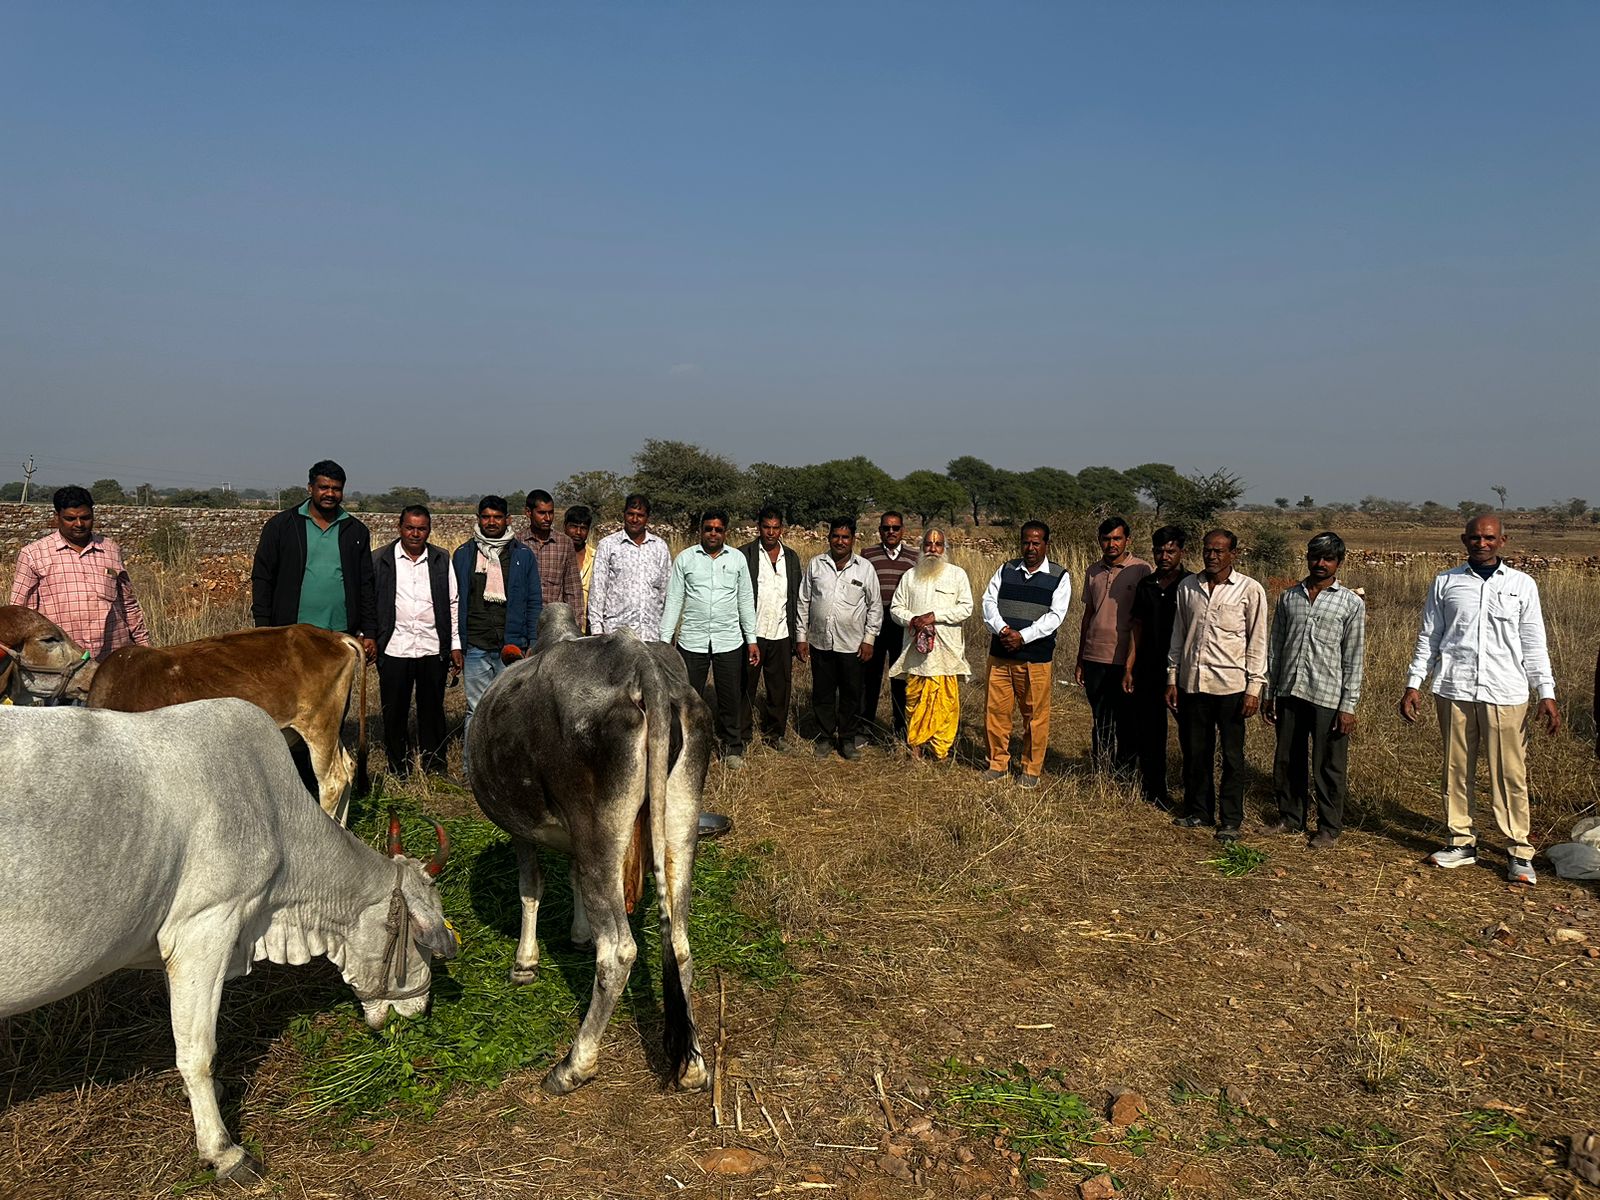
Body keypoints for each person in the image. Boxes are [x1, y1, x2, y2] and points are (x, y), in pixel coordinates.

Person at [1399, 515, 1559, 885]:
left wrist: (1545, 692)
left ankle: (1519, 851)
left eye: (1489, 537)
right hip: (1454, 688)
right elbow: (1430, 637)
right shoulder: (1446, 582)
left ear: (1503, 540)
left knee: (1509, 774)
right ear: (1464, 540)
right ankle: (1460, 841)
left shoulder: (1522, 585)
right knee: (1456, 769)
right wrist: (1414, 683)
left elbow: (1535, 644)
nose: (1481, 543)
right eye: (1474, 537)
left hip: (1506, 692)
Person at [1261, 532, 1365, 849]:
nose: (1320, 563)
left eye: (1328, 558)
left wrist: (1348, 706)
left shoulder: (1350, 603)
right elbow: (1275, 647)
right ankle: (1291, 818)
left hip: (1328, 697)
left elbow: (1354, 657)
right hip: (1290, 691)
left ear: (1338, 562)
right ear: (1307, 558)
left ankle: (1329, 827)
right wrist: (1270, 691)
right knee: (1288, 759)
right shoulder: (1289, 597)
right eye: (1315, 557)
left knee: (1328, 765)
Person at [1165, 529, 1269, 841]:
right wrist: (1172, 677)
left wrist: (1254, 689)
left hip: (1232, 688)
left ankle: (1231, 820)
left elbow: (1258, 641)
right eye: (1208, 550)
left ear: (1233, 554)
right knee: (1197, 752)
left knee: (1233, 758)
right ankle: (1199, 811)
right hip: (1193, 684)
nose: (1212, 556)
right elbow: (1178, 636)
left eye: (1219, 551)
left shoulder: (1250, 590)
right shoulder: (1188, 587)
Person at [661, 508, 759, 768]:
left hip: (729, 640)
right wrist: (665, 638)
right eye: (708, 529)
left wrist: (751, 639)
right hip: (693, 640)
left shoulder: (737, 559)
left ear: (725, 532)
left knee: (730, 698)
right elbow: (674, 599)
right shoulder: (685, 559)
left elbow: (745, 601)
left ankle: (732, 748)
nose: (713, 533)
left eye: (718, 529)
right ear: (700, 530)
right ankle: (686, 748)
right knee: (687, 698)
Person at [250, 459, 377, 658]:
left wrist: (369, 631)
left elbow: (366, 583)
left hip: (340, 633)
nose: (330, 494)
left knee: (338, 690)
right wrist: (263, 626)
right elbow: (262, 577)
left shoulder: (355, 531)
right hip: (292, 632)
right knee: (291, 688)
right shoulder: (282, 526)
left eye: (336, 488)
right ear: (310, 488)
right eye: (323, 487)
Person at [10, 484, 152, 662]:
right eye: (70, 518)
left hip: (114, 655)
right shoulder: (33, 554)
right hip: (62, 660)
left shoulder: (110, 549)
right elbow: (20, 613)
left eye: (85, 517)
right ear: (57, 517)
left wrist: (145, 647)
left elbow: (128, 604)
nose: (79, 524)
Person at [981, 521, 1073, 788]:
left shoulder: (1059, 576)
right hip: (1000, 655)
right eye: (1026, 542)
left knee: (1035, 716)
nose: (1030, 548)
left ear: (1046, 544)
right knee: (996, 712)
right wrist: (1004, 630)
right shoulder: (1006, 569)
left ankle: (1031, 769)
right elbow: (988, 602)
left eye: (1036, 543)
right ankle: (997, 763)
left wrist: (1023, 637)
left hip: (1035, 659)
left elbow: (1055, 616)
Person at [372, 505, 462, 777]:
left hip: (431, 647)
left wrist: (455, 644)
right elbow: (369, 603)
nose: (415, 534)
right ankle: (398, 766)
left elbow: (452, 603)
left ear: (429, 530)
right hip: (395, 647)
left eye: (421, 528)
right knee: (394, 711)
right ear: (400, 528)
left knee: (432, 710)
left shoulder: (440, 559)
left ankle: (435, 765)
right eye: (410, 527)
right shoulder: (381, 559)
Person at [452, 496, 541, 751]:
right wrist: (458, 643)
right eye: (486, 517)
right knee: (475, 710)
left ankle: (504, 770)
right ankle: (474, 769)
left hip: (511, 647)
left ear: (507, 520)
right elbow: (456, 600)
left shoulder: (523, 555)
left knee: (510, 711)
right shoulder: (464, 554)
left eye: (497, 517)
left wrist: (532, 643)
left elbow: (533, 602)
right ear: (478, 519)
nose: (492, 522)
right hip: (476, 644)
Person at [797, 517, 883, 761]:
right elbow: (804, 601)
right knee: (823, 692)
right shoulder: (816, 565)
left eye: (845, 537)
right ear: (829, 537)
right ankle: (824, 737)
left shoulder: (864, 568)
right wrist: (801, 636)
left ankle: (847, 739)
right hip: (821, 641)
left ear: (853, 539)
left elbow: (875, 606)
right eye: (836, 536)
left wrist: (869, 639)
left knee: (851, 693)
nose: (840, 541)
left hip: (852, 644)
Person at [887, 528, 973, 761]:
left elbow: (966, 608)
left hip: (946, 652)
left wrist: (935, 616)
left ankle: (940, 752)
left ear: (945, 549)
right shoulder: (910, 576)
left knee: (944, 703)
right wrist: (912, 620)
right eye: (928, 544)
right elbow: (896, 608)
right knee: (915, 700)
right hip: (916, 653)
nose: (932, 549)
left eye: (938, 544)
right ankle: (915, 747)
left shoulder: (957, 575)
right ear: (921, 547)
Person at [1075, 516, 1150, 774]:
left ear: (1127, 540)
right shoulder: (1092, 571)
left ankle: (1126, 773)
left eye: (1117, 538)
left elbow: (1142, 620)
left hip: (1125, 659)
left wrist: (1134, 663)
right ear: (1099, 541)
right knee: (1101, 719)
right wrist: (1080, 658)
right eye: (1106, 539)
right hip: (1095, 656)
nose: (1111, 544)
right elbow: (1088, 615)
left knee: (1127, 720)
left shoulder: (1141, 570)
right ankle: (1102, 772)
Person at [1122, 526, 1189, 810]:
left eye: (1170, 551)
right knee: (1151, 732)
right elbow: (1136, 627)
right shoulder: (1146, 585)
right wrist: (1129, 667)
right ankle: (1154, 791)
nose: (1164, 556)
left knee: (1189, 734)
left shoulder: (1191, 584)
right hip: (1148, 668)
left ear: (1181, 552)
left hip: (1183, 670)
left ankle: (1193, 794)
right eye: (1159, 551)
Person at [740, 506, 802, 749]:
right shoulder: (744, 555)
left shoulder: (792, 558)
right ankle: (742, 735)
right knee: (745, 686)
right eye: (766, 527)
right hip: (753, 634)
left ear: (782, 529)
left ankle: (775, 735)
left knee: (779, 688)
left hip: (781, 633)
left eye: (776, 528)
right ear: (759, 528)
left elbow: (796, 597)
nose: (771, 532)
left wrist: (798, 636)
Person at [860, 512, 920, 746]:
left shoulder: (914, 556)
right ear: (880, 530)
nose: (891, 532)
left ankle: (900, 728)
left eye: (895, 528)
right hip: (874, 623)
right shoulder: (868, 555)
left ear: (903, 530)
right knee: (870, 677)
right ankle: (864, 727)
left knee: (900, 677)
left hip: (902, 625)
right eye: (886, 528)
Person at [588, 494, 672, 639]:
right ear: (624, 514)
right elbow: (598, 589)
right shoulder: (608, 545)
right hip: (617, 636)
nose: (634, 519)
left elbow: (666, 591)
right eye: (630, 514)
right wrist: (596, 629)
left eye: (640, 515)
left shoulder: (660, 547)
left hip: (651, 634)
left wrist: (666, 633)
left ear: (647, 518)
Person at [520, 489, 584, 613]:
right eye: (542, 513)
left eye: (551, 513)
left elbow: (573, 589)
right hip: (524, 618)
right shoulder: (517, 543)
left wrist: (576, 625)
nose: (548, 518)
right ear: (528, 512)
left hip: (555, 621)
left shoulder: (564, 543)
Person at [564, 505, 594, 633]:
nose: (578, 532)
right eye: (573, 526)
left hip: (588, 627)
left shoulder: (595, 557)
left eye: (583, 528)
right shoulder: (557, 556)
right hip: (563, 626)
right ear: (565, 526)